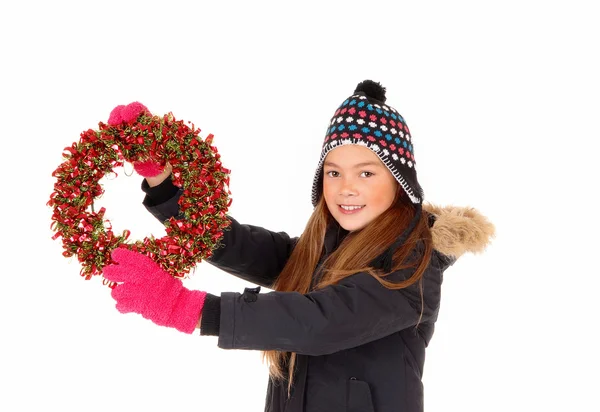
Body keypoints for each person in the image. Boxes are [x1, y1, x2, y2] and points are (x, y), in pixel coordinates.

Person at [102, 80, 496, 412]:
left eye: (367, 172)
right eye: (334, 172)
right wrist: (165, 185)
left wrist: (186, 307)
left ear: (399, 183)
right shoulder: (329, 247)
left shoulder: (414, 267)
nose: (346, 187)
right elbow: (248, 248)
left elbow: (321, 320)